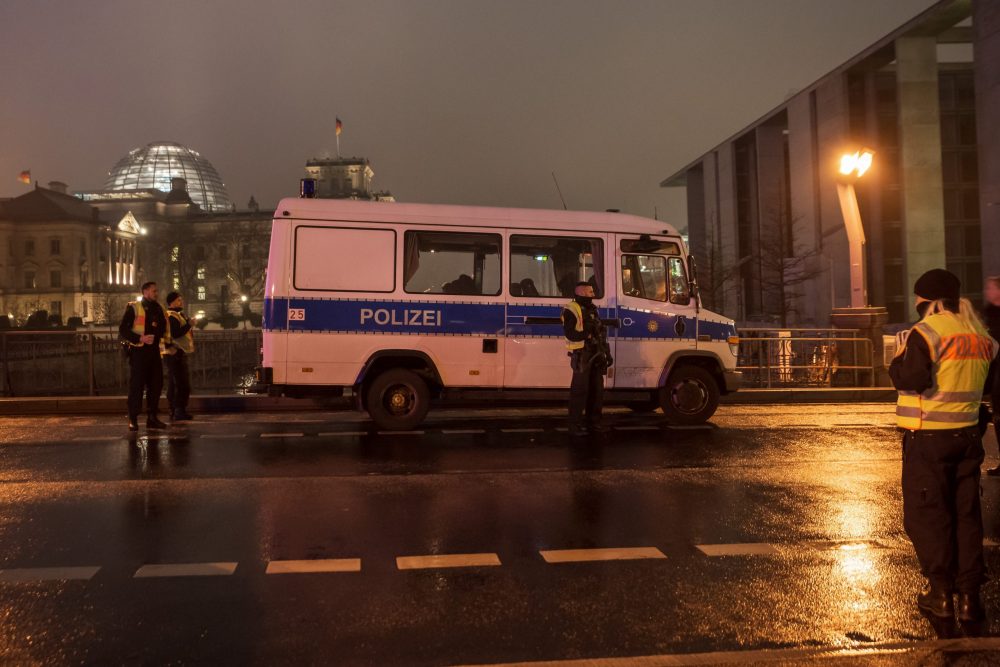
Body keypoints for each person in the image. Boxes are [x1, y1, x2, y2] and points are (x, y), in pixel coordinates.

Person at [889, 269, 998, 623]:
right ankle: (969, 598)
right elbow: (989, 385)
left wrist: (895, 363)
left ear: (928, 301)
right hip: (967, 438)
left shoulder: (926, 333)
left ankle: (941, 595)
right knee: (967, 517)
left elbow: (913, 379)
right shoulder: (981, 336)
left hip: (929, 440)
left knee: (929, 517)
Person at [562, 281, 612, 436]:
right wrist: (587, 334)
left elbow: (600, 332)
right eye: (590, 292)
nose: (593, 295)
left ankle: (594, 423)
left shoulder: (592, 309)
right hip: (582, 355)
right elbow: (570, 333)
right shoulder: (571, 309)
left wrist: (607, 353)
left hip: (596, 354)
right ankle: (574, 426)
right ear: (582, 293)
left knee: (597, 391)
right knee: (579, 391)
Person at [119, 281, 169, 432]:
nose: (156, 293)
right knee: (137, 387)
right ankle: (133, 419)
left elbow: (162, 328)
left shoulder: (158, 308)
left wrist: (158, 336)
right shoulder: (134, 307)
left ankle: (152, 418)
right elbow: (123, 329)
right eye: (154, 291)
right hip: (139, 352)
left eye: (156, 291)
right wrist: (140, 338)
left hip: (154, 352)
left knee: (156, 385)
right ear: (145, 292)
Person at [163, 291, 195, 422]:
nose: (181, 302)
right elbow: (176, 334)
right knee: (182, 383)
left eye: (181, 299)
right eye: (178, 300)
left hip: (175, 352)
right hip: (175, 352)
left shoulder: (176, 314)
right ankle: (179, 411)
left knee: (174, 382)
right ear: (172, 302)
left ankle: (174, 409)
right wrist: (189, 325)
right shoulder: (172, 316)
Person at [981, 277, 1000, 476]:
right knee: (998, 416)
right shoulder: (990, 311)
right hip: (995, 369)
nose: (987, 290)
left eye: (991, 287)